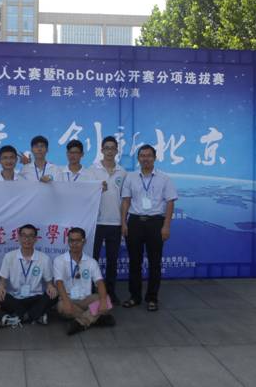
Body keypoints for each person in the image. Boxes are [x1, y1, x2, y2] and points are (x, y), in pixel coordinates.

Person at [121, 144, 178, 311]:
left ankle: (152, 298)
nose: (145, 158)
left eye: (149, 155)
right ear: (138, 158)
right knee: (134, 262)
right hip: (135, 222)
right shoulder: (131, 177)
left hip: (155, 223)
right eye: (142, 155)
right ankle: (135, 296)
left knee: (155, 263)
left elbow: (170, 202)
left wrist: (166, 226)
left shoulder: (164, 178)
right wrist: (123, 222)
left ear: (154, 158)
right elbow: (126, 201)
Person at [54, 227, 115, 336]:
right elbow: (59, 283)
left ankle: (80, 323)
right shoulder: (59, 260)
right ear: (68, 241)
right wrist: (66, 301)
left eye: (78, 240)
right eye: (71, 240)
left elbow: (100, 282)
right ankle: (97, 318)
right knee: (62, 306)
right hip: (68, 298)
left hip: (86, 299)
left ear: (84, 241)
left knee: (106, 299)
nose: (74, 244)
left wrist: (103, 301)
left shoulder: (91, 261)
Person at [89, 136, 128, 305]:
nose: (110, 151)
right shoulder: (92, 170)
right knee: (92, 260)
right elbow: (86, 195)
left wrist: (123, 221)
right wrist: (96, 189)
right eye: (107, 148)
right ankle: (91, 291)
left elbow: (125, 199)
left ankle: (111, 292)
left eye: (113, 148)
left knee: (113, 260)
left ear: (117, 151)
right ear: (102, 150)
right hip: (96, 222)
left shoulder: (123, 172)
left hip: (115, 223)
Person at [0, 224, 58, 326]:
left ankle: (21, 316)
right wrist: (0, 288)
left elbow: (49, 283)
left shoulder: (44, 258)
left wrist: (51, 287)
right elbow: (2, 281)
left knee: (54, 295)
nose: (27, 239)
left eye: (30, 236)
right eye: (24, 235)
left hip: (35, 298)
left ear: (35, 239)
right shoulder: (9, 256)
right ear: (19, 238)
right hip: (15, 297)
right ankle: (35, 315)